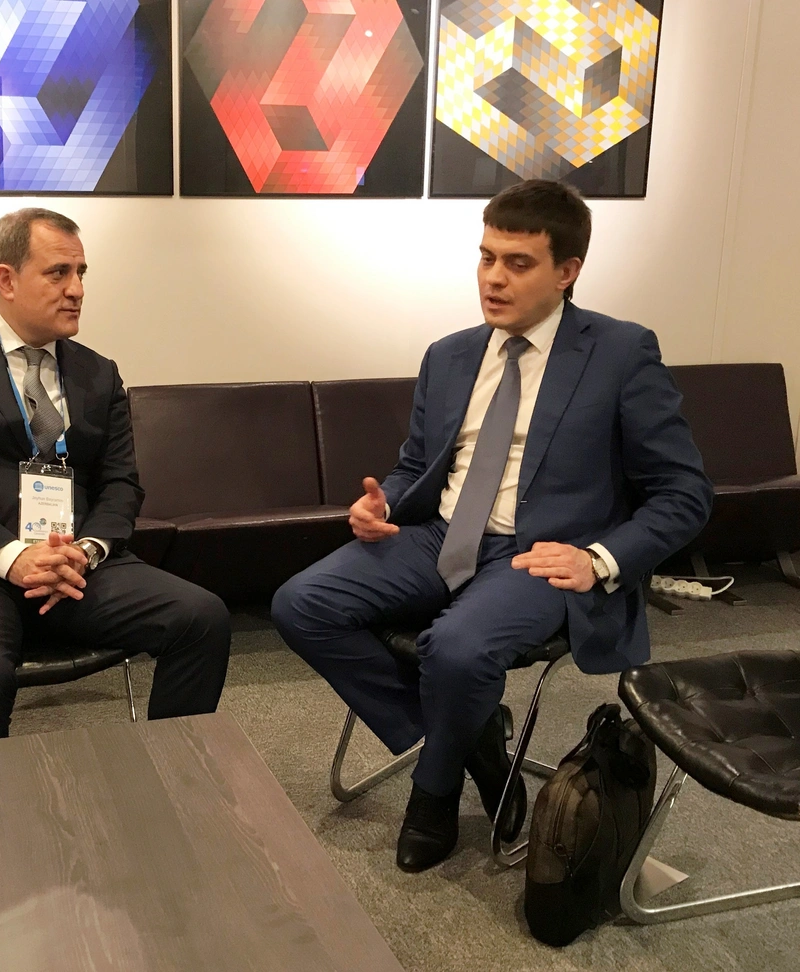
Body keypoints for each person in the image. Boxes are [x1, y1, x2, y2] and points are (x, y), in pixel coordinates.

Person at [271, 180, 713, 872]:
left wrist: (599, 559)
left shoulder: (621, 353)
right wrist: (384, 503)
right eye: (486, 258)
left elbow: (684, 492)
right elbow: (416, 464)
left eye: (518, 262)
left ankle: (434, 790)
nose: (493, 278)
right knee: (301, 603)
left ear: (567, 271)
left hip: (539, 553)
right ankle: (473, 735)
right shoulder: (449, 355)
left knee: (456, 650)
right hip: (440, 534)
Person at [0, 208, 230, 745]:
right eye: (58, 273)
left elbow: (121, 484)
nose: (77, 290)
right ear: (7, 280)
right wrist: (11, 556)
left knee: (201, 618)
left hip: (74, 565)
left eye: (81, 273)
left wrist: (86, 551)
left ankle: (170, 774)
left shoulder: (98, 372)